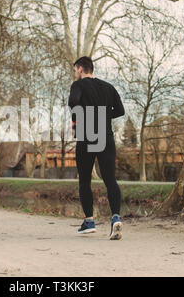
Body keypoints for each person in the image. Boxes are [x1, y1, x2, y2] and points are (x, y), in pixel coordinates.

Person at [68, 56, 125, 240]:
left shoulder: (78, 86)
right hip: (105, 136)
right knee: (110, 179)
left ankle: (89, 221)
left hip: (86, 136)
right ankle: (115, 217)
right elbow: (120, 110)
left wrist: (76, 121)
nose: (76, 73)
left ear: (81, 69)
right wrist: (103, 116)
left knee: (85, 179)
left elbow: (74, 102)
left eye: (76, 69)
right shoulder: (108, 87)